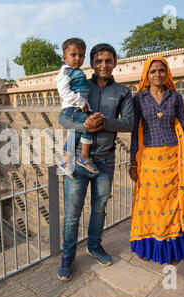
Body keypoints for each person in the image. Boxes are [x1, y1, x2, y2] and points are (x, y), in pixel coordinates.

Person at [57, 43, 134, 281]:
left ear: (115, 63)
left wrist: (102, 123)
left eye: (108, 61)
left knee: (99, 209)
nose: (103, 65)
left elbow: (130, 123)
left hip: (105, 161)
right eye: (98, 61)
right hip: (80, 159)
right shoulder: (80, 82)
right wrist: (84, 126)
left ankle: (94, 246)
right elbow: (63, 118)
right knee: (72, 213)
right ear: (92, 63)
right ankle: (68, 257)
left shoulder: (122, 91)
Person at [129, 56, 184, 265]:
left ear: (167, 73)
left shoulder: (175, 98)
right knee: (151, 205)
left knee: (172, 205)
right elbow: (135, 132)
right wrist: (133, 162)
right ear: (146, 75)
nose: (157, 74)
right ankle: (149, 246)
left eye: (161, 70)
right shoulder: (139, 100)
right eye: (153, 71)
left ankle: (171, 250)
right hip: (149, 160)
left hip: (173, 158)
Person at [55, 38, 104, 176]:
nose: (78, 58)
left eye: (81, 55)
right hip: (72, 109)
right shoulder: (65, 72)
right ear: (65, 57)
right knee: (89, 126)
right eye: (73, 55)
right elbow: (64, 92)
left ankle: (66, 160)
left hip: (77, 108)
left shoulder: (77, 71)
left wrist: (86, 106)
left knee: (75, 134)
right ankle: (84, 157)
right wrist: (81, 103)